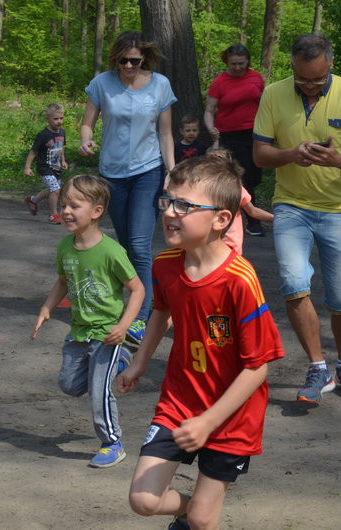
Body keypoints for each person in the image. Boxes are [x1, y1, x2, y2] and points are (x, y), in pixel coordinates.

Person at [117, 155, 283, 530]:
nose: (169, 212)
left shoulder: (240, 280)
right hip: (179, 402)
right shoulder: (165, 264)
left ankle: (195, 517)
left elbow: (257, 367)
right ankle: (188, 513)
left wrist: (209, 421)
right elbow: (161, 310)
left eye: (184, 205)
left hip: (232, 417)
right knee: (143, 500)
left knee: (203, 520)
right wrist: (140, 362)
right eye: (167, 201)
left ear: (221, 220)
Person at [252, 33, 341, 402]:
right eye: (302, 78)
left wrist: (338, 160)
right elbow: (260, 155)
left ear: (331, 65)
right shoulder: (273, 94)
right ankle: (317, 366)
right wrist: (292, 154)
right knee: (294, 283)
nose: (309, 86)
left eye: (318, 79)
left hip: (339, 210)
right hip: (290, 206)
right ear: (292, 66)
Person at [31, 175, 145, 468]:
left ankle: (112, 443)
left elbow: (137, 290)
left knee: (98, 391)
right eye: (64, 205)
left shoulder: (111, 251)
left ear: (96, 211)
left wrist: (123, 326)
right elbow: (62, 282)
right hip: (78, 331)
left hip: (107, 333)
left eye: (75, 206)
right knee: (69, 385)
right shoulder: (65, 247)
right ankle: (120, 362)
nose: (66, 211)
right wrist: (46, 307)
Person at [79, 30, 177, 347]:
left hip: (147, 171)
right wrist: (85, 140)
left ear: (143, 58)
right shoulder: (102, 84)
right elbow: (87, 123)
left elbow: (165, 133)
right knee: (125, 247)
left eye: (135, 60)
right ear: (115, 59)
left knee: (138, 244)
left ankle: (140, 318)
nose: (129, 66)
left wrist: (172, 170)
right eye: (123, 60)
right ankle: (136, 301)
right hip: (112, 174)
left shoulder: (160, 85)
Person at [204, 43, 266, 236]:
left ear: (247, 61)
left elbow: (266, 103)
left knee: (255, 176)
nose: (238, 67)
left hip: (255, 133)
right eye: (234, 64)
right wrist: (211, 128)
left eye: (241, 63)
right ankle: (252, 221)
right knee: (243, 176)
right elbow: (209, 110)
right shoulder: (220, 82)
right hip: (230, 135)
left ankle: (240, 209)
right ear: (227, 62)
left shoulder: (256, 77)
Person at [205, 147, 273, 255]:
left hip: (230, 245)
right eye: (210, 161)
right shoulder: (200, 188)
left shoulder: (235, 188)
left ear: (228, 166)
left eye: (219, 161)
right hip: (207, 244)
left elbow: (252, 211)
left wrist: (276, 218)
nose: (215, 165)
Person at [23, 102, 68, 224]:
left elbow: (61, 148)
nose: (59, 121)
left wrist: (63, 161)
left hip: (56, 167)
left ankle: (33, 200)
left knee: (53, 190)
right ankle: (53, 215)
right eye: (55, 119)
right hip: (44, 167)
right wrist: (27, 167)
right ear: (47, 119)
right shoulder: (43, 135)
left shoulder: (62, 132)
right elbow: (33, 151)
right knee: (55, 190)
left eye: (61, 118)